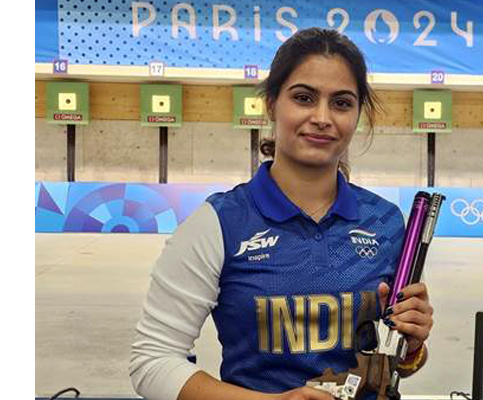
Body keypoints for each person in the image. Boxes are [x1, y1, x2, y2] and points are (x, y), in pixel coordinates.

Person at [129, 28, 434, 400]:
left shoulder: (384, 221)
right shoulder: (219, 223)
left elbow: (394, 361)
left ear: (357, 115)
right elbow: (153, 361)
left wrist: (413, 344)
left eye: (341, 103)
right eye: (304, 98)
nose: (322, 117)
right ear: (271, 103)